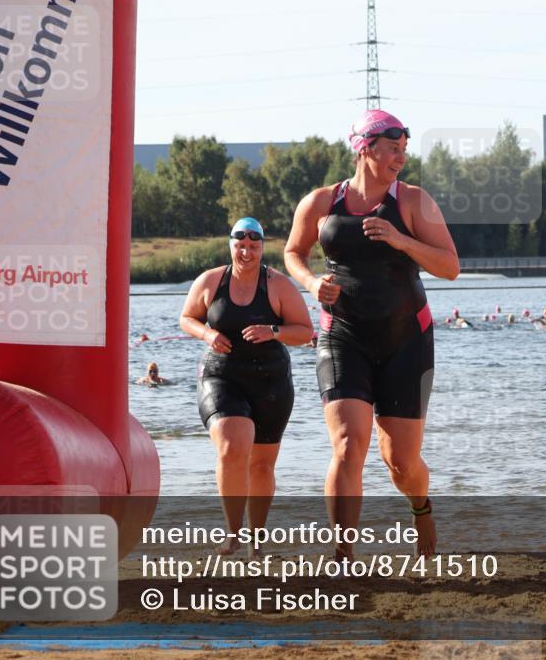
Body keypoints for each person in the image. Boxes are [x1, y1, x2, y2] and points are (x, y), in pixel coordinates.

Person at [284, 110, 459, 560]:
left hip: (406, 340)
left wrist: (403, 242)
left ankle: (421, 508)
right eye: (392, 149)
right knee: (348, 444)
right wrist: (310, 283)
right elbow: (293, 252)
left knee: (401, 462)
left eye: (404, 149)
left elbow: (450, 267)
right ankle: (343, 557)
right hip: (343, 336)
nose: (401, 157)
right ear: (365, 148)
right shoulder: (321, 202)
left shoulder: (413, 202)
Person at [180, 217, 313, 555]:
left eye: (254, 246)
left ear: (261, 248)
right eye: (240, 244)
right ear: (231, 245)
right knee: (231, 444)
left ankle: (256, 539)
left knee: (261, 465)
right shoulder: (211, 281)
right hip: (222, 376)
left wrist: (274, 331)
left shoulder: (278, 286)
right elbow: (187, 318)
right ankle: (233, 533)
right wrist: (208, 333)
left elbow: (305, 331)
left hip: (270, 381)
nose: (246, 251)